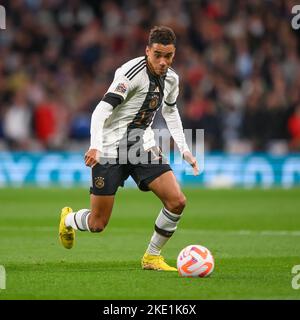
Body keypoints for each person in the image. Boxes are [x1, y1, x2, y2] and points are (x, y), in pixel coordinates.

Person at [59, 26, 199, 271]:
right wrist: (95, 146)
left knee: (177, 201)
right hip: (110, 149)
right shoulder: (130, 73)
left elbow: (170, 110)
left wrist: (184, 148)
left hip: (140, 146)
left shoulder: (172, 79)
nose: (163, 61)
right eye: (158, 55)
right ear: (147, 51)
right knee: (98, 223)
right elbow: (101, 110)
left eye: (168, 56)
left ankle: (152, 256)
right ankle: (68, 219)